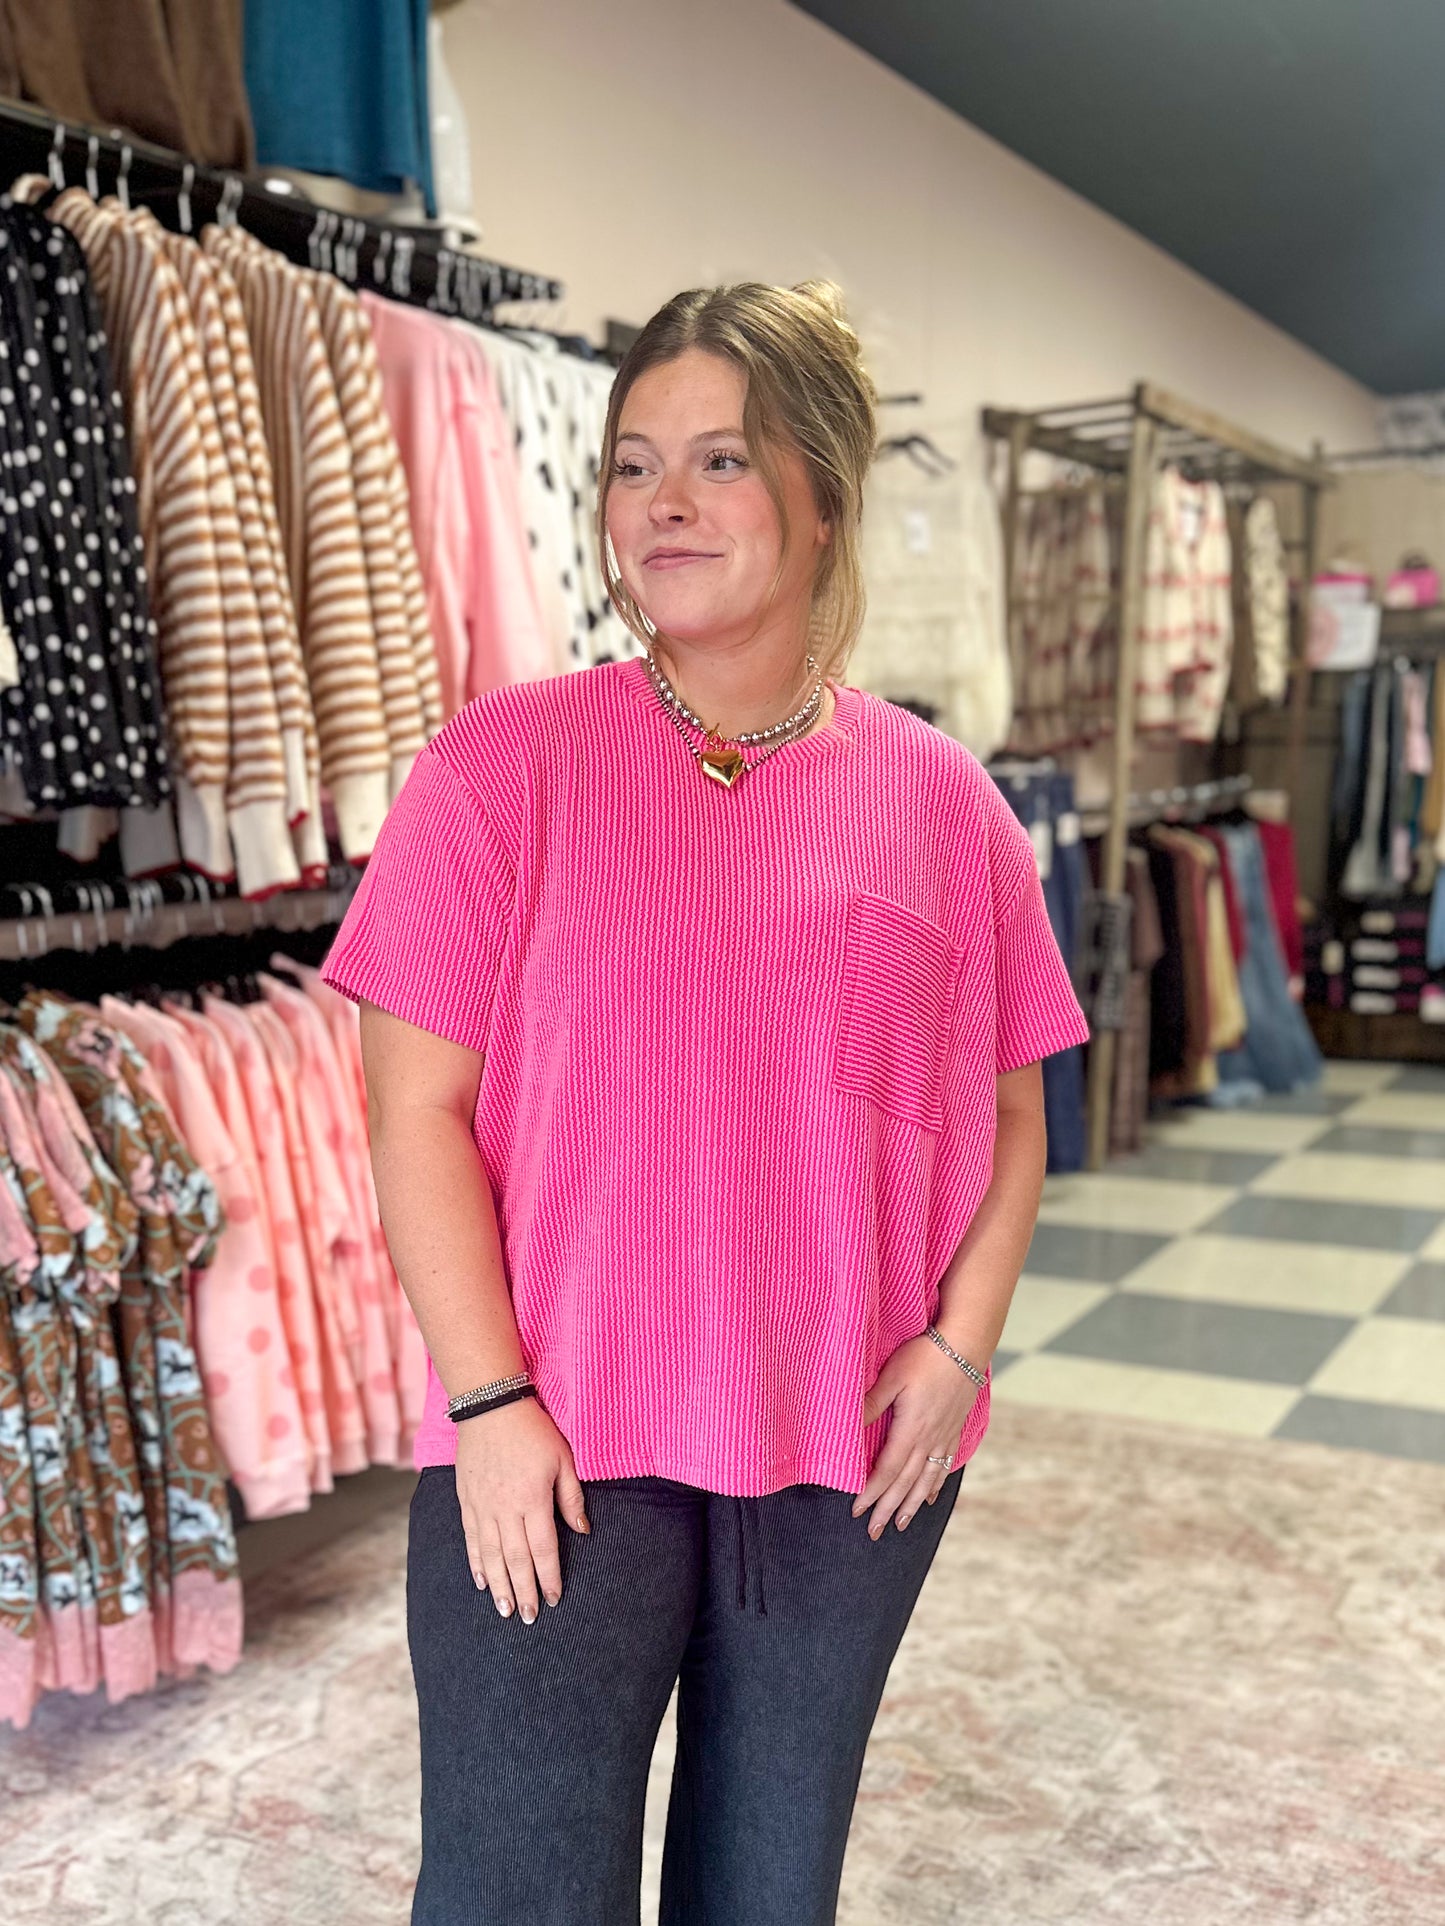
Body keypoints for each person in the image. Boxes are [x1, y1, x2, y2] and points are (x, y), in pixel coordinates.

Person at [322, 279, 1090, 1925]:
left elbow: (1015, 1108)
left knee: (767, 1883)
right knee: (518, 1884)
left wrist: (962, 1347)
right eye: (631, 463)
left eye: (721, 461)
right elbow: (414, 1113)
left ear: (821, 501)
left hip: (841, 1462)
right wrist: (485, 1406)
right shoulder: (494, 769)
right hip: (557, 1445)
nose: (660, 502)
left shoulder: (945, 802)